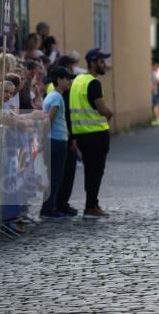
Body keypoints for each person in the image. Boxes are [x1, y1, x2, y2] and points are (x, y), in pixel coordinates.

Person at [69, 48, 113, 218]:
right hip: (96, 134)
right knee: (96, 171)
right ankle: (91, 205)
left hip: (80, 134)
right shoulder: (93, 83)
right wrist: (110, 114)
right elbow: (101, 108)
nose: (105, 64)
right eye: (102, 61)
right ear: (93, 63)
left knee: (90, 170)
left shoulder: (78, 80)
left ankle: (91, 204)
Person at [40, 66, 75, 220]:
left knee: (54, 175)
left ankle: (49, 206)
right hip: (56, 140)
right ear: (59, 80)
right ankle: (49, 207)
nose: (69, 82)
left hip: (56, 139)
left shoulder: (53, 96)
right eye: (67, 79)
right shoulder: (56, 98)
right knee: (55, 175)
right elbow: (49, 120)